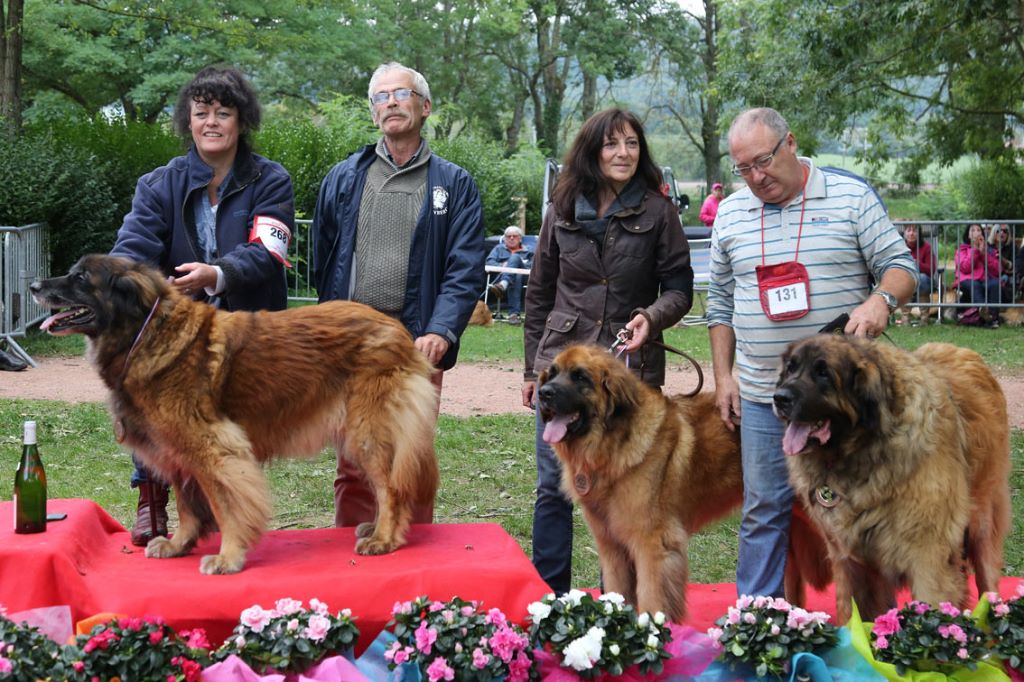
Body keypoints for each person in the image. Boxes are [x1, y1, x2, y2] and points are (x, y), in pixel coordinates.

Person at [706, 107, 916, 600]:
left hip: (840, 399)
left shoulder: (850, 197)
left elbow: (900, 266)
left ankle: (870, 618)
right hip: (763, 395)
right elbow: (718, 302)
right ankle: (757, 621)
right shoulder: (732, 213)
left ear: (791, 143)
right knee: (764, 509)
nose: (756, 177)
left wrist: (880, 299)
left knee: (859, 504)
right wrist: (723, 377)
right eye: (743, 169)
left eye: (763, 161)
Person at [109, 65, 295, 546]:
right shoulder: (157, 184)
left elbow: (269, 251)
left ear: (241, 121)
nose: (211, 122)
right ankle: (151, 497)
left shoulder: (271, 179)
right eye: (201, 113)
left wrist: (216, 274)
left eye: (223, 112)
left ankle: (223, 512)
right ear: (187, 121)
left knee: (227, 432)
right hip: (180, 327)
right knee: (153, 395)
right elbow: (132, 252)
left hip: (250, 330)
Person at [522, 107, 694, 595]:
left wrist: (652, 316)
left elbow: (680, 286)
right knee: (554, 492)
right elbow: (539, 291)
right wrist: (533, 370)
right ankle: (549, 599)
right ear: (592, 151)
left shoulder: (659, 211)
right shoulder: (561, 208)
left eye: (632, 144)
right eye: (612, 144)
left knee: (627, 497)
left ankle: (618, 607)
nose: (623, 153)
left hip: (629, 375)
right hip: (562, 368)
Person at [312, 62, 485, 529]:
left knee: (410, 454)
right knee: (353, 457)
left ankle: (415, 562)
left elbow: (464, 268)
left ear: (424, 107)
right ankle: (350, 562)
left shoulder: (455, 184)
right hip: (353, 344)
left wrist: (441, 329)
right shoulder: (343, 179)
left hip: (415, 344)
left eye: (400, 93)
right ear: (373, 115)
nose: (389, 101)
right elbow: (323, 256)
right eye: (380, 96)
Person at [954, 223, 1002, 327]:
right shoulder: (961, 250)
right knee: (975, 285)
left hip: (984, 280)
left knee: (995, 284)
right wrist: (975, 250)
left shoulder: (989, 251)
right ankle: (985, 317)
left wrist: (983, 253)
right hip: (967, 280)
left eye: (978, 230)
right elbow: (965, 268)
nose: (976, 233)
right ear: (968, 235)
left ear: (982, 234)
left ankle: (993, 317)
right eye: (973, 230)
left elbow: (997, 270)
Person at [486, 225, 533, 323]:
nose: (511, 238)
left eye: (514, 236)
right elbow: (489, 262)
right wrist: (502, 265)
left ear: (520, 239)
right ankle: (513, 315)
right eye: (508, 236)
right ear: (504, 239)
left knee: (515, 258)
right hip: (500, 277)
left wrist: (518, 264)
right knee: (516, 275)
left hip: (526, 278)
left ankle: (504, 284)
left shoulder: (528, 251)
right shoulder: (498, 249)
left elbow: (534, 266)